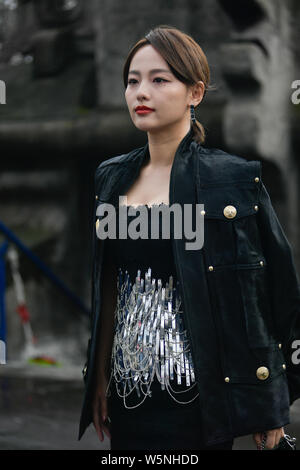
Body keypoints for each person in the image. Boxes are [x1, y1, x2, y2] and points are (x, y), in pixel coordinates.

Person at [78, 25, 300, 451]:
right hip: (128, 399)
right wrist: (99, 378)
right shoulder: (110, 177)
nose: (141, 92)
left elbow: (276, 291)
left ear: (195, 93)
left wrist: (270, 402)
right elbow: (108, 286)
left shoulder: (232, 179)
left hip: (203, 404)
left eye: (160, 80)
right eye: (132, 80)